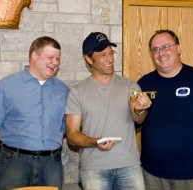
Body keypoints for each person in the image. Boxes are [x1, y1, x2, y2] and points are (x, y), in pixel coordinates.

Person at [65, 32, 151, 190]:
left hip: (129, 166)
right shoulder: (77, 92)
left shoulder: (130, 86)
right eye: (103, 55)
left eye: (111, 53)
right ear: (89, 59)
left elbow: (138, 119)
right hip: (93, 169)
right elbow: (72, 135)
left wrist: (139, 110)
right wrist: (95, 142)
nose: (110, 59)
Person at [137, 29, 193, 190]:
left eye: (166, 46)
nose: (161, 53)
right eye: (156, 49)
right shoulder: (144, 84)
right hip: (152, 176)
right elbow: (132, 122)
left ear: (179, 48)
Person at [0, 36, 69, 190]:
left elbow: (65, 127)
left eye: (58, 59)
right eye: (50, 57)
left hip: (51, 164)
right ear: (34, 56)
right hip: (14, 162)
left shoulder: (63, 90)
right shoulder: (6, 86)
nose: (55, 62)